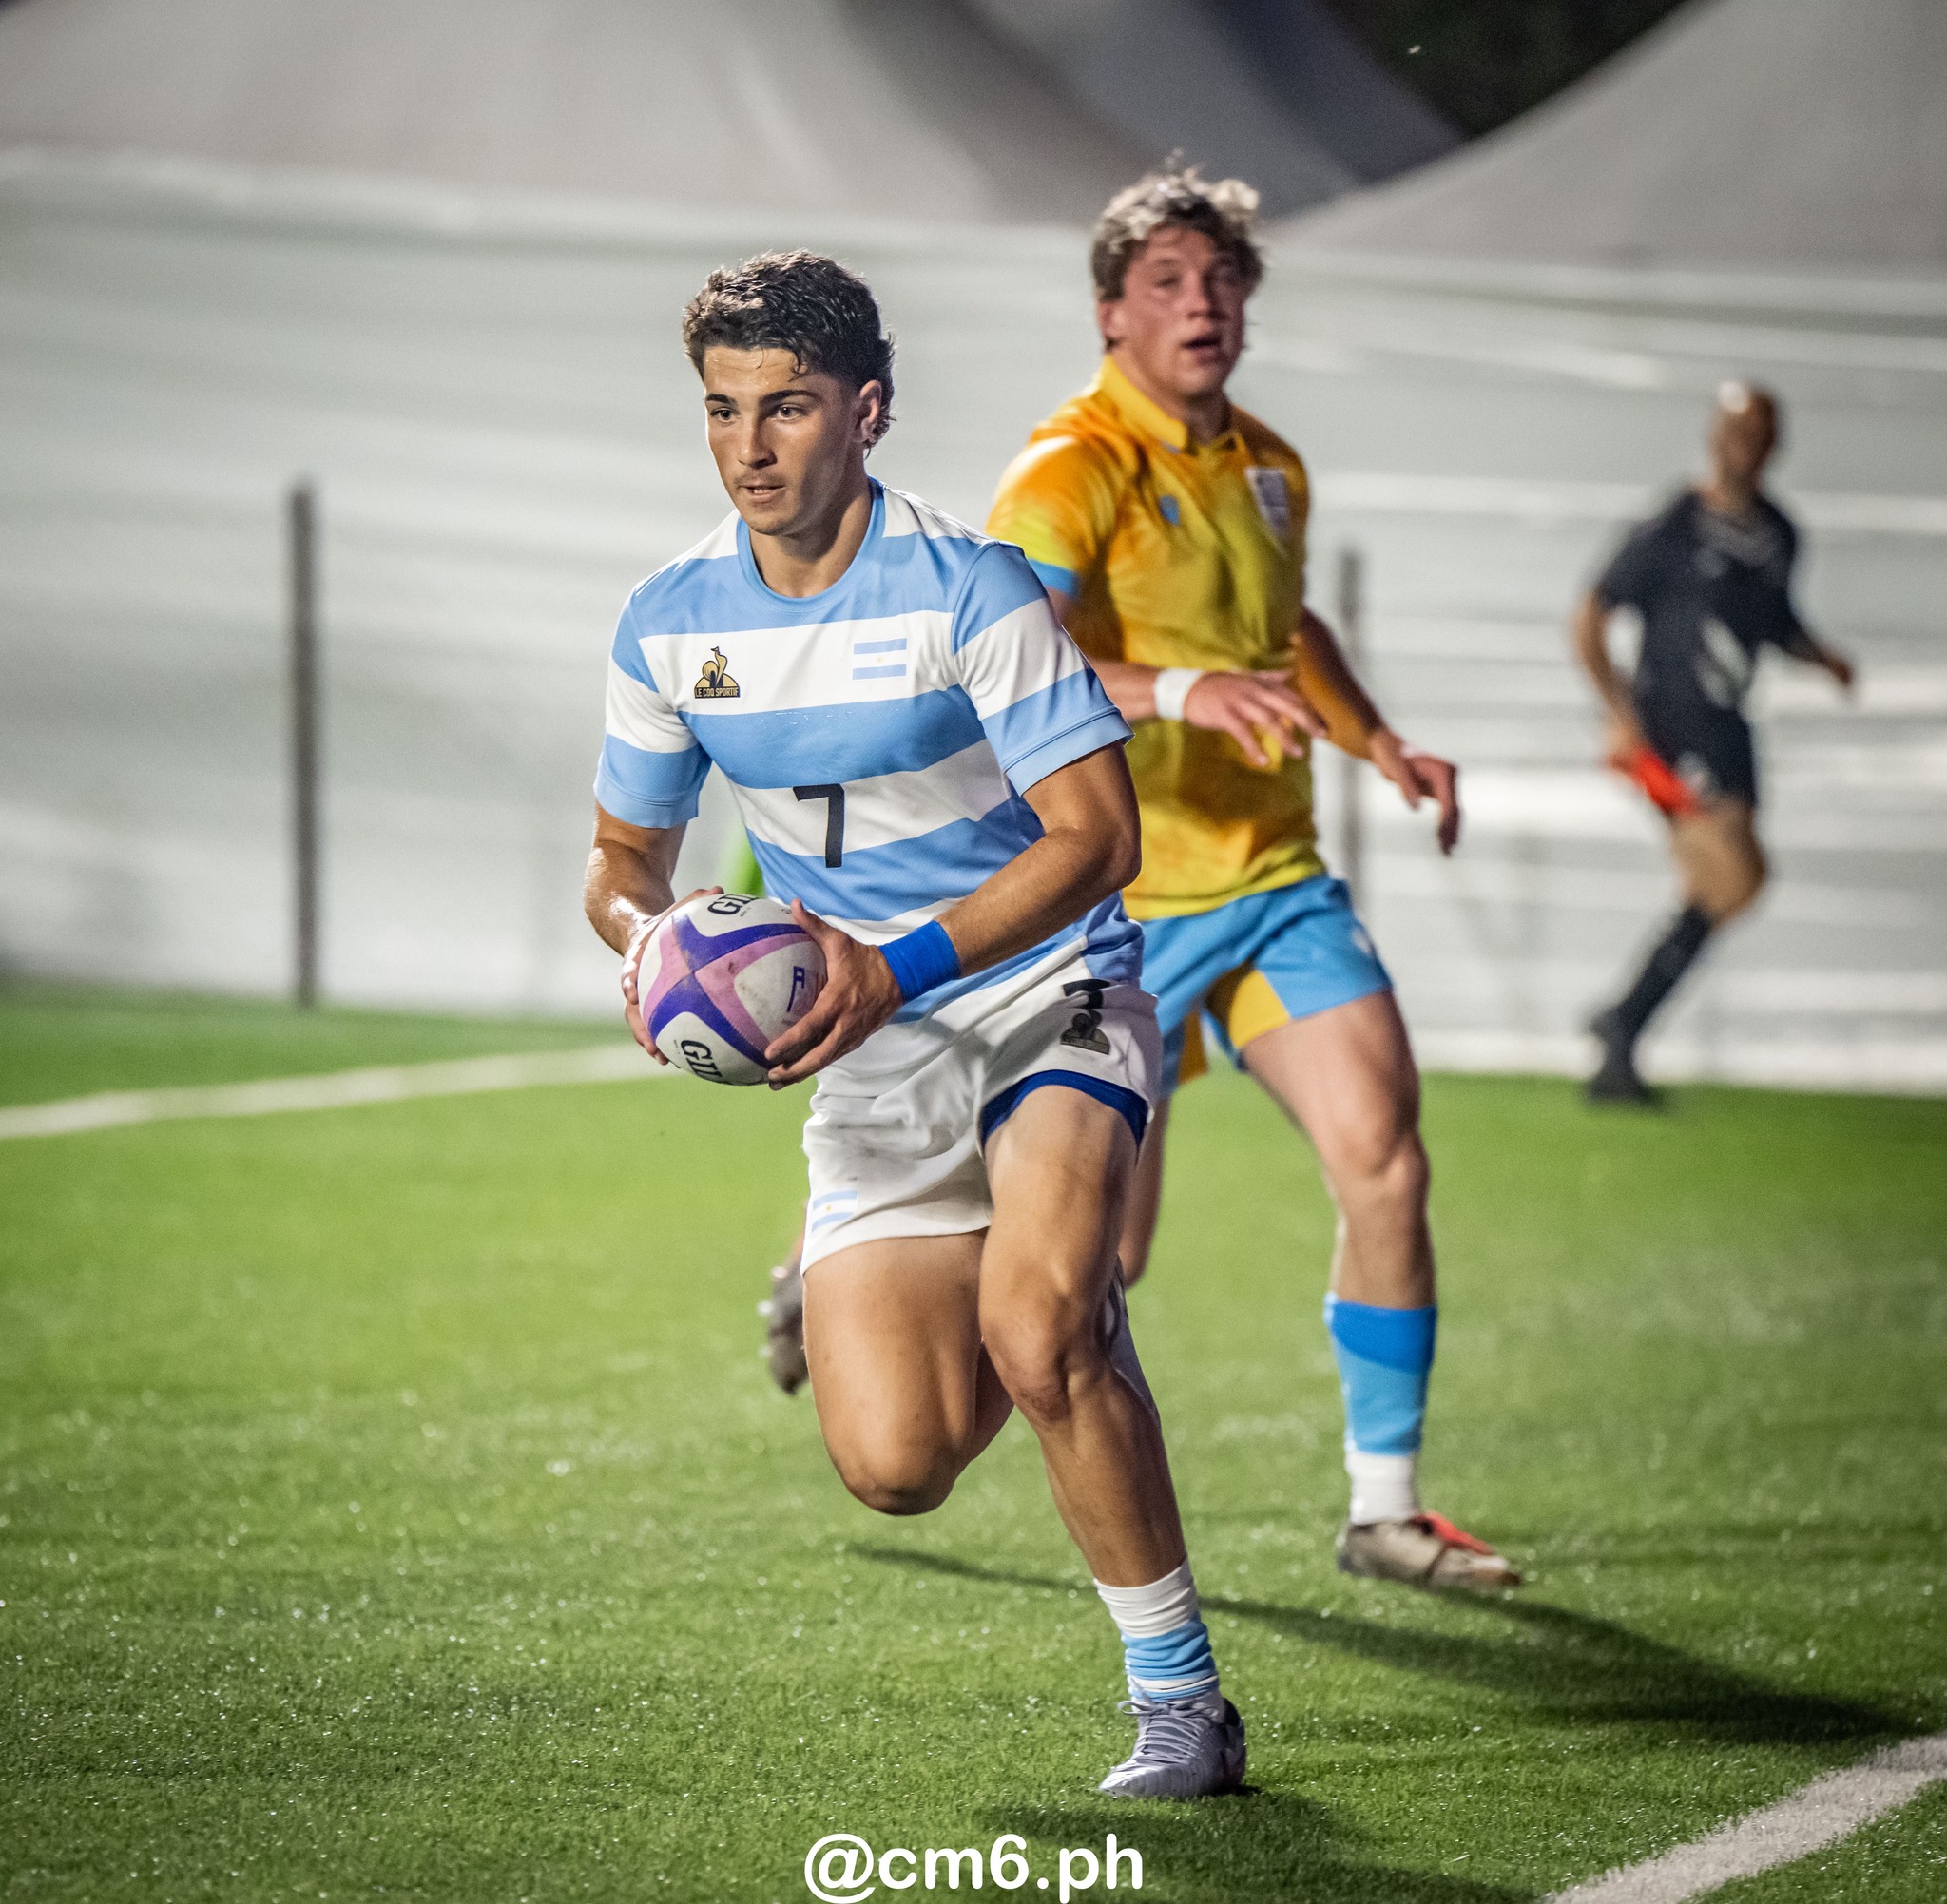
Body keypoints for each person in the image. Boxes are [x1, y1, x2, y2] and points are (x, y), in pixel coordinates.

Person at [584, 251, 1244, 1798]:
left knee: (1039, 1332)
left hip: (1042, 990)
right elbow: (621, 862)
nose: (751, 446)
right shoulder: (667, 622)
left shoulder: (968, 587)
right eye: (723, 410)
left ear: (866, 411)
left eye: (789, 407)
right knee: (895, 1463)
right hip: (869, 1050)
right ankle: (1043, 1289)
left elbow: (1097, 837)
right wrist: (651, 947)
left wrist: (894, 962)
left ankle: (1183, 1703)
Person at [984, 167, 1518, 1593]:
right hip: (1119, 905)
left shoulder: (1270, 464)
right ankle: (846, 1267)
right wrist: (1179, 687)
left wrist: (1379, 740)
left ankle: (1385, 1509)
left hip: (1277, 880)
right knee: (1106, 1261)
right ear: (1110, 312)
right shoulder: (1068, 466)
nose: (1201, 301)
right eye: (1166, 280)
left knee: (1385, 1156)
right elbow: (1012, 657)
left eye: (1221, 278)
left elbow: (1287, 633)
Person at [1574, 383, 1855, 1103]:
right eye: (1734, 433)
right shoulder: (1673, 527)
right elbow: (1589, 618)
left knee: (1735, 882)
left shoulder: (1779, 536)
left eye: (1757, 435)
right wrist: (1620, 714)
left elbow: (1776, 621)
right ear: (1713, 438)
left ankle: (1622, 1025)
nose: (1743, 449)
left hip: (1729, 731)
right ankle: (1623, 1026)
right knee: (1727, 875)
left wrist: (1822, 657)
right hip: (1669, 731)